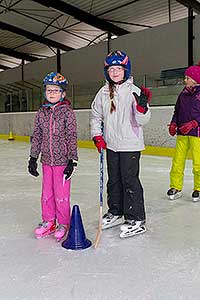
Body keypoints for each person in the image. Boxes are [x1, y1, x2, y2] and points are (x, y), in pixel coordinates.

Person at [90, 50, 152, 238]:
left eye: (119, 68)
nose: (115, 72)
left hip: (130, 145)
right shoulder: (102, 92)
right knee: (114, 180)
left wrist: (142, 109)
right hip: (111, 144)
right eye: (111, 69)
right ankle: (116, 211)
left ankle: (136, 218)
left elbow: (143, 120)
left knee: (129, 180)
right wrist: (97, 135)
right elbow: (95, 116)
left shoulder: (134, 91)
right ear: (106, 71)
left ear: (126, 69)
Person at [28, 72, 78, 241]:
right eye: (49, 90)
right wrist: (33, 158)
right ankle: (49, 221)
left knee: (61, 194)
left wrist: (72, 160)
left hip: (63, 162)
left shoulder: (68, 113)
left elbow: (71, 137)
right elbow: (37, 135)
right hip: (46, 161)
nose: (52, 93)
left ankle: (64, 223)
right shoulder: (41, 113)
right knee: (46, 194)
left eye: (56, 90)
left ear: (63, 93)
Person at [168, 63, 200, 202]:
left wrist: (195, 123)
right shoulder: (183, 94)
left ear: (195, 79)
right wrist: (174, 122)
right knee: (177, 161)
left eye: (187, 78)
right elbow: (177, 111)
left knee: (198, 163)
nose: (185, 80)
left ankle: (198, 188)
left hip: (197, 134)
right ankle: (176, 186)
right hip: (182, 133)